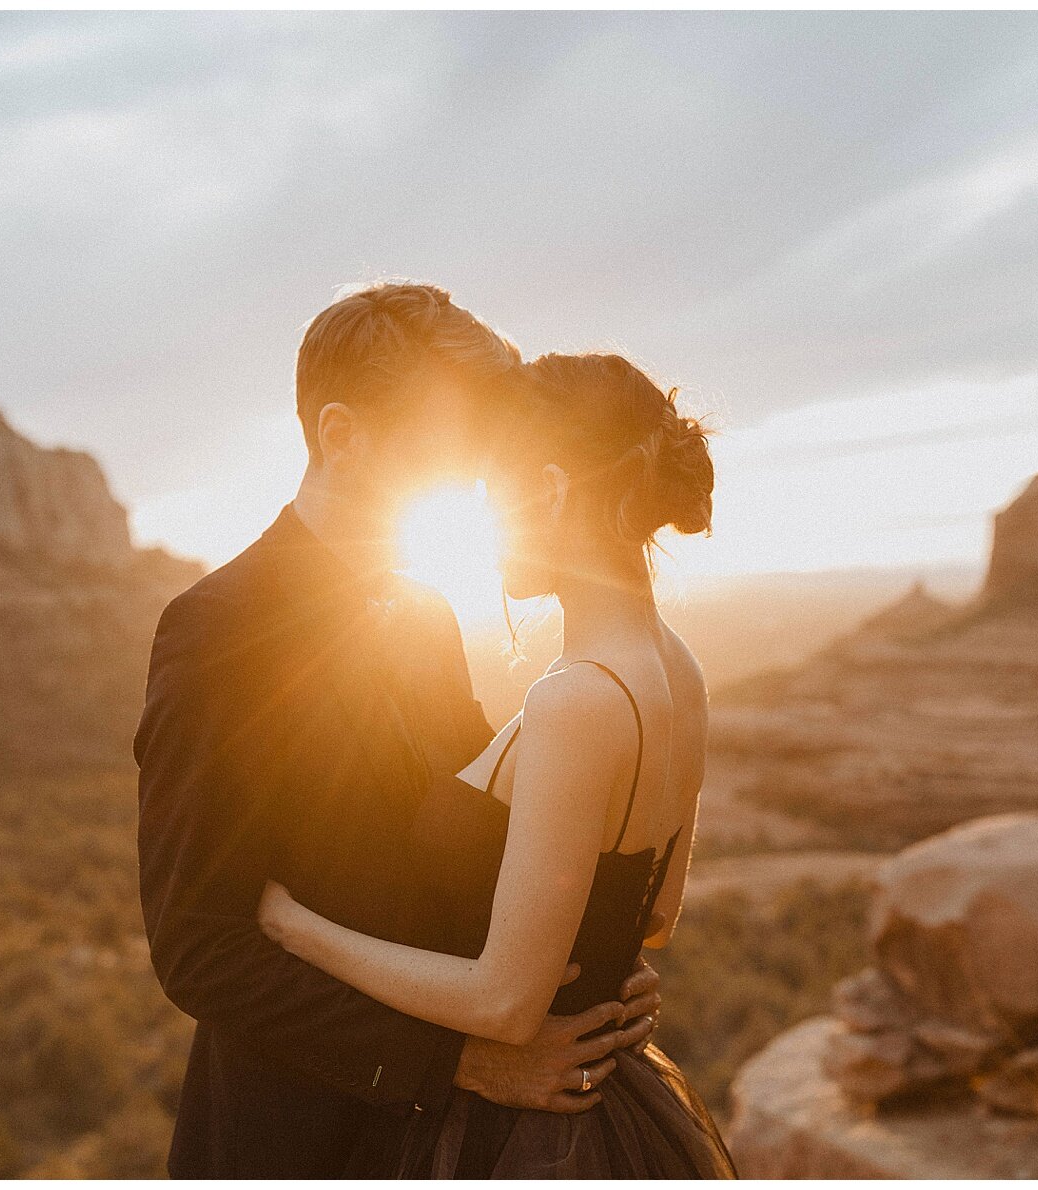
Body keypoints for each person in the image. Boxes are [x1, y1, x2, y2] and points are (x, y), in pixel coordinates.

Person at [133, 285, 665, 1178]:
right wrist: (456, 1062)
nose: (474, 481)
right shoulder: (214, 629)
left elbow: (475, 835)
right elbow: (200, 946)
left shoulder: (424, 613)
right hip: (297, 1137)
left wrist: (591, 950)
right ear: (342, 436)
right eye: (446, 450)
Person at [257, 351, 737, 1176]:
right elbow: (652, 912)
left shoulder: (575, 700)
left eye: (492, 497)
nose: (485, 529)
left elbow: (505, 1004)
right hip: (610, 1103)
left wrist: (293, 928)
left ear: (549, 491)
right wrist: (611, 972)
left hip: (525, 1133)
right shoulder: (681, 670)